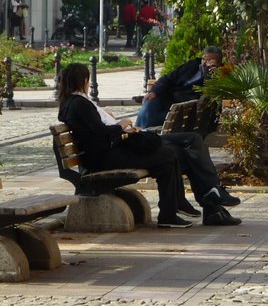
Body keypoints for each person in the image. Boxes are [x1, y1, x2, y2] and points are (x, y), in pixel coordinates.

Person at [57, 63, 192, 229]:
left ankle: (170, 213)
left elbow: (93, 129)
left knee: (167, 157)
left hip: (97, 156)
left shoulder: (69, 103)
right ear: (83, 80)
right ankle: (170, 213)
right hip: (101, 159)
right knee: (168, 154)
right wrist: (121, 125)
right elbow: (100, 131)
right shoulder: (80, 103)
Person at [136, 46, 223, 130]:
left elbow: (210, 92)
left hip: (182, 109)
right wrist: (154, 91)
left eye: (209, 60)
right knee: (149, 104)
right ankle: (137, 134)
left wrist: (210, 73)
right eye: (204, 59)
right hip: (167, 100)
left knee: (150, 116)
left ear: (218, 63)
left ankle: (138, 137)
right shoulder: (193, 65)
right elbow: (169, 78)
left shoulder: (220, 74)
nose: (204, 63)